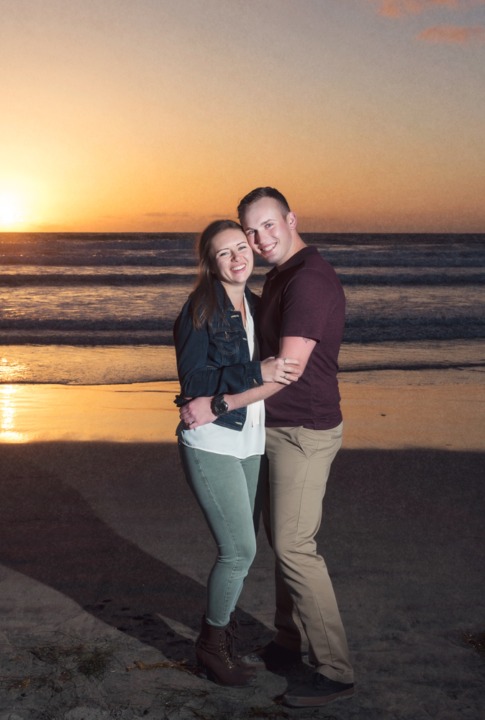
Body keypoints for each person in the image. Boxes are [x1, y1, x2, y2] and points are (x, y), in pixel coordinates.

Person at [180, 188, 354, 708]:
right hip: (269, 430)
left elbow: (288, 370)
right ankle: (287, 640)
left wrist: (220, 402)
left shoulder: (309, 281)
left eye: (267, 227)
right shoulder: (274, 278)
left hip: (302, 428)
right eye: (248, 233)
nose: (258, 241)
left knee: (296, 546)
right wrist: (208, 396)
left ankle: (336, 670)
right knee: (281, 541)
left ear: (291, 220)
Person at [173, 219, 301, 687]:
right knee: (239, 550)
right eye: (224, 253)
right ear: (210, 263)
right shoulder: (199, 311)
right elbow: (193, 386)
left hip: (250, 440)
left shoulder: (256, 305)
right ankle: (211, 642)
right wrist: (253, 370)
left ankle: (218, 635)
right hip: (211, 440)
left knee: (243, 550)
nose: (237, 258)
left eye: (241, 248)